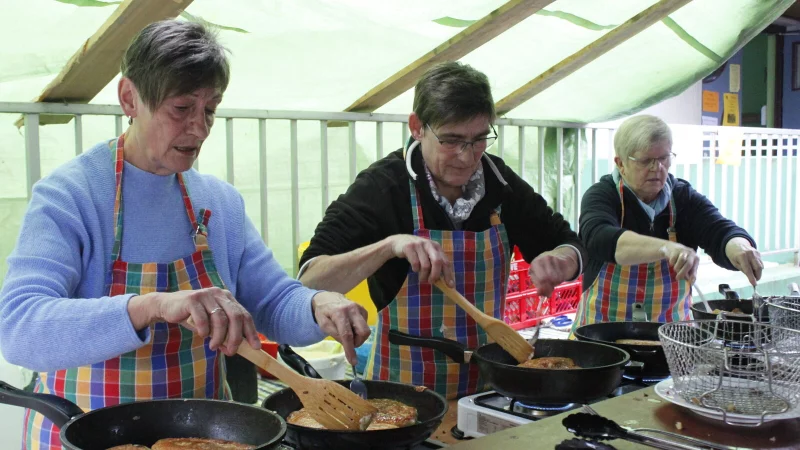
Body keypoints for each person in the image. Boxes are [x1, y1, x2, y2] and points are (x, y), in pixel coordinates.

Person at [0, 20, 369, 449]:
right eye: (181, 108)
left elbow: (272, 301)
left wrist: (318, 305)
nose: (199, 128)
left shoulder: (218, 203)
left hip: (205, 438)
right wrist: (151, 305)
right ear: (129, 98)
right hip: (84, 436)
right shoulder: (71, 197)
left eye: (210, 108)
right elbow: (19, 328)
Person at [297, 61, 586, 399]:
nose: (467, 157)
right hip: (401, 392)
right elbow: (309, 281)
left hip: (487, 389)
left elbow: (569, 242)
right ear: (417, 127)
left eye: (479, 139)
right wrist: (389, 246)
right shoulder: (382, 188)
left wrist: (562, 259)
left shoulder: (500, 183)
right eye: (452, 140)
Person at [574, 115, 761, 328]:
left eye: (664, 158)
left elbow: (718, 230)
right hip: (603, 332)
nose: (657, 168)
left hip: (672, 336)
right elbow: (599, 237)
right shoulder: (602, 196)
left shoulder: (683, 197)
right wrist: (665, 247)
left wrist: (739, 246)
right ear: (621, 163)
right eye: (646, 161)